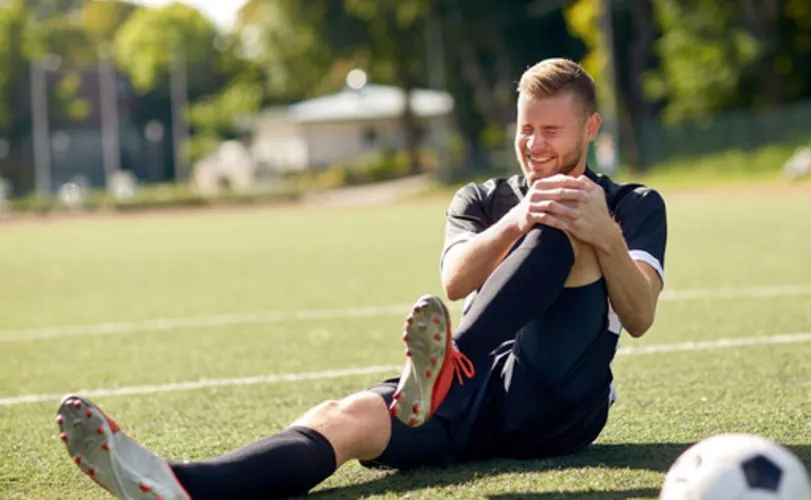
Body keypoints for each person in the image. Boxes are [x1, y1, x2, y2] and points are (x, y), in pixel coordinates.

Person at [55, 57, 668, 500]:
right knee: (347, 415)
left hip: (556, 401)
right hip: (468, 392)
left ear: (590, 129)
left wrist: (604, 233)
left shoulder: (636, 204)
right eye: (524, 128)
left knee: (567, 227)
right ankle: (179, 482)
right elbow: (454, 281)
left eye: (550, 130)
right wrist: (514, 219)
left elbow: (639, 317)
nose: (533, 144)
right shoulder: (482, 197)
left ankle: (448, 361)